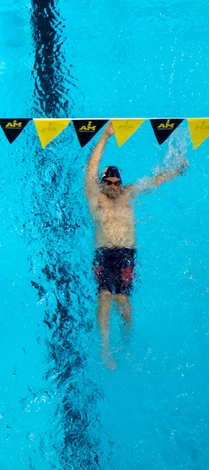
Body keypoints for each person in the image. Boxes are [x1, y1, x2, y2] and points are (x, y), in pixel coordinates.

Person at [85, 122, 187, 369]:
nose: (112, 186)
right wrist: (105, 136)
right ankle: (105, 349)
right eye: (107, 182)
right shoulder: (94, 195)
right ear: (101, 183)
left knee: (122, 300)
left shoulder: (128, 193)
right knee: (105, 296)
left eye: (115, 182)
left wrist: (176, 170)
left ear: (120, 183)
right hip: (104, 253)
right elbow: (90, 169)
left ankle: (127, 339)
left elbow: (154, 181)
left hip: (127, 254)